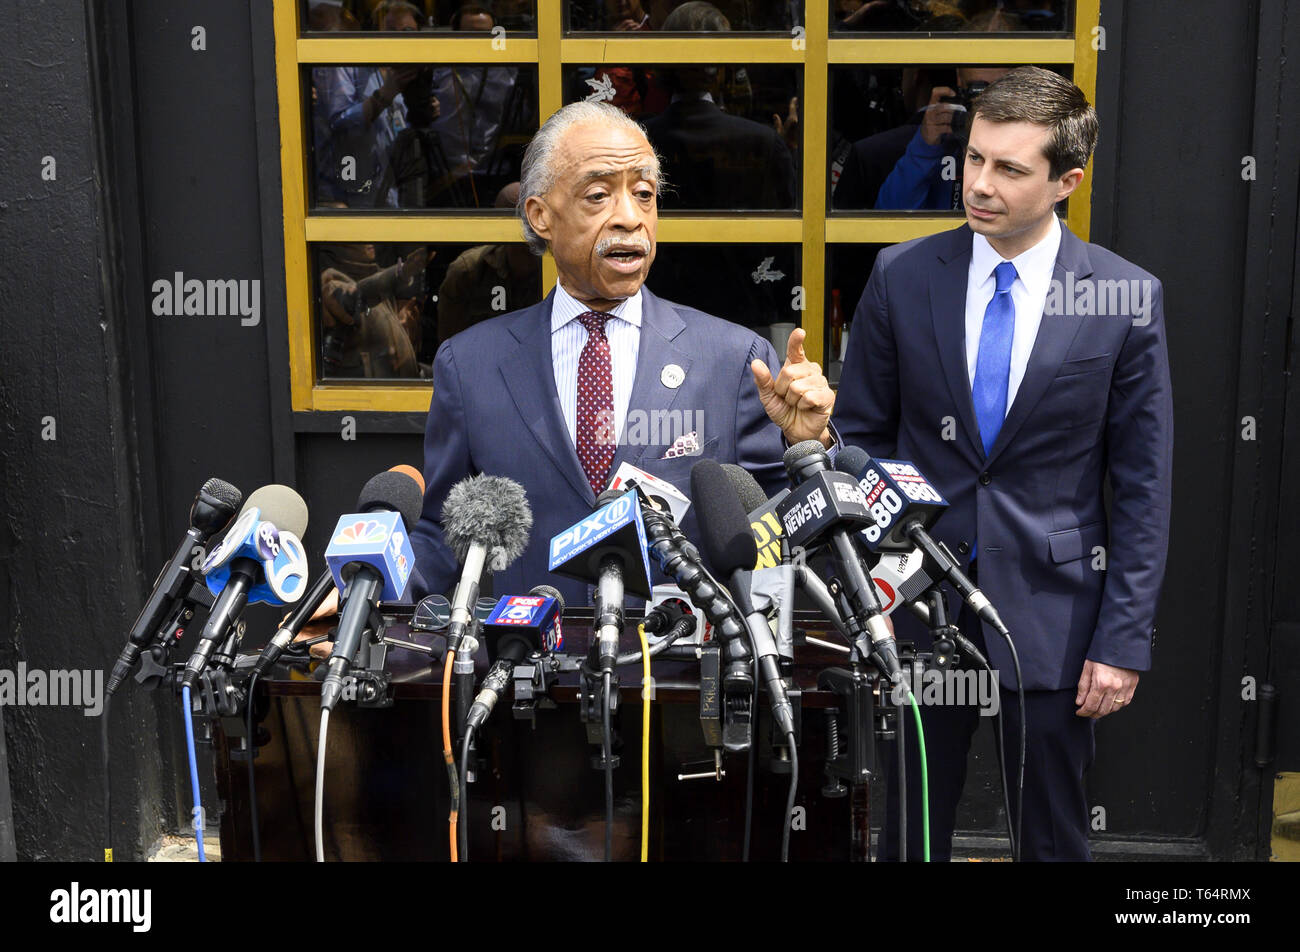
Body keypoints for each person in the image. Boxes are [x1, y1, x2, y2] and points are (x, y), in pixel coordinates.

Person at [832, 67, 1173, 861]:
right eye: (975, 159)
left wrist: (1122, 640)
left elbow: (1144, 483)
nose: (979, 184)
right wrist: (879, 582)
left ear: (1067, 183)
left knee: (1051, 837)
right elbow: (861, 441)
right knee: (910, 833)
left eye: (1010, 169)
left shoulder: (1125, 298)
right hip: (917, 608)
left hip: (1056, 613)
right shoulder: (902, 275)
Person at [409, 100, 836, 604]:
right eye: (598, 196)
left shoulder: (734, 358)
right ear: (540, 215)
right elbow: (442, 536)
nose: (630, 218)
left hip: (678, 664)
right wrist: (359, 600)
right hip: (528, 665)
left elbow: (780, 527)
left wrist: (811, 444)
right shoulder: (471, 366)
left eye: (644, 195)